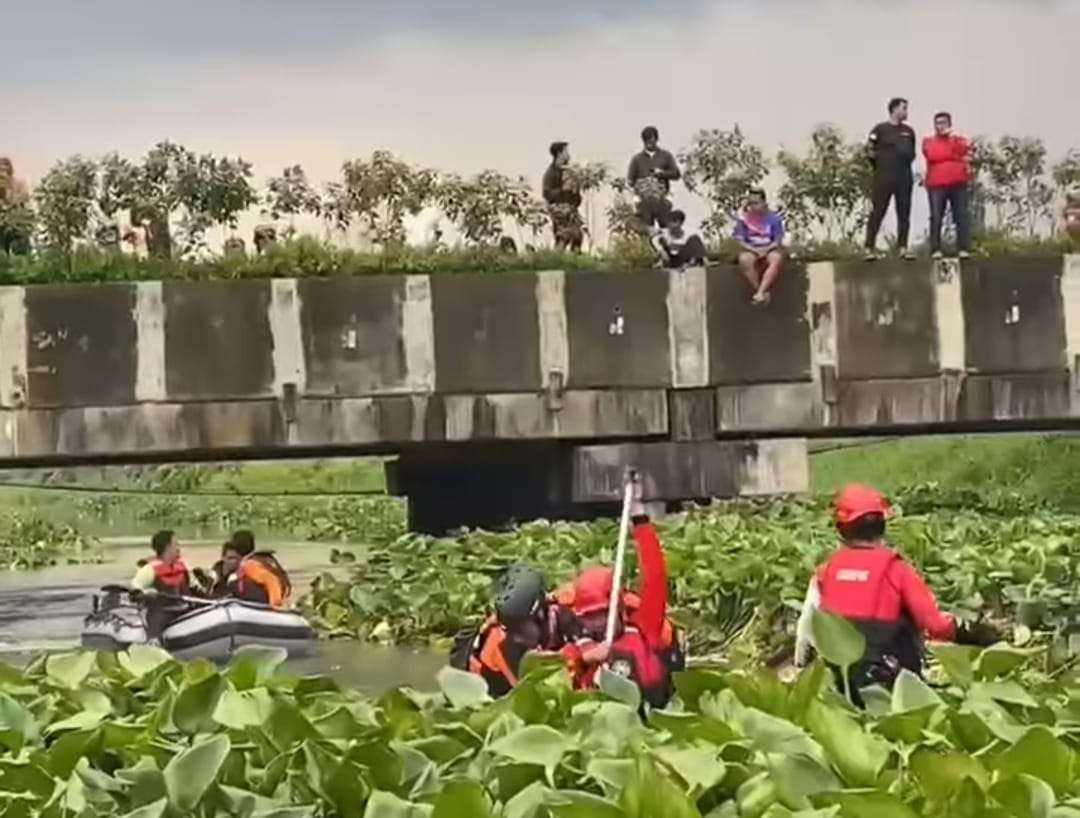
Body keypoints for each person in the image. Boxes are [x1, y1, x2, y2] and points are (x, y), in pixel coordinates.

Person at [794, 483, 999, 705]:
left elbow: (805, 633)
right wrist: (979, 636)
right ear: (882, 524)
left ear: (841, 528)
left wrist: (803, 672)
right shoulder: (896, 569)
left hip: (839, 685)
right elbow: (935, 625)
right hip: (889, 686)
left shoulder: (826, 571)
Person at [557, 475, 681, 708]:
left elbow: (655, 577)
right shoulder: (578, 651)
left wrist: (640, 519)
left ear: (618, 607)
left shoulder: (644, 629)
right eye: (589, 618)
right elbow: (551, 674)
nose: (597, 625)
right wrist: (583, 659)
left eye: (601, 615)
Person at [452, 565, 578, 696]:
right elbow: (526, 693)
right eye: (513, 632)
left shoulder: (560, 603)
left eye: (521, 630)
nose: (517, 638)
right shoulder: (499, 647)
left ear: (540, 612)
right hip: (495, 685)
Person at [865, 98, 917, 261]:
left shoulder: (909, 131)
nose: (906, 112)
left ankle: (902, 247)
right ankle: (869, 247)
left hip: (904, 177)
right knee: (878, 211)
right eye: (903, 108)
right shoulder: (880, 129)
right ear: (894, 110)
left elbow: (912, 154)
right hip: (883, 176)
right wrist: (880, 165)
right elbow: (869, 151)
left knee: (904, 213)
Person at [130, 530, 207, 640]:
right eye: (176, 544)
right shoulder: (150, 569)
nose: (178, 548)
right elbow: (136, 587)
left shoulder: (183, 566)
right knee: (156, 620)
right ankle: (154, 642)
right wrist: (145, 593)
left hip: (185, 608)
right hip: (163, 611)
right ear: (167, 547)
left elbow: (195, 586)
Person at [923, 112, 972, 260]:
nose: (940, 126)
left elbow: (968, 148)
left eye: (943, 123)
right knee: (936, 216)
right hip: (937, 184)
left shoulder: (958, 140)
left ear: (949, 124)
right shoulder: (928, 141)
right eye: (937, 123)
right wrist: (955, 155)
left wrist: (953, 148)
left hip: (958, 183)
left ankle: (963, 248)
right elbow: (933, 155)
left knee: (961, 216)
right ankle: (935, 249)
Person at [734, 189, 785, 305]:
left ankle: (760, 292)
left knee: (776, 259)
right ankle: (761, 292)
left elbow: (778, 239)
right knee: (744, 260)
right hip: (752, 249)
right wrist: (755, 250)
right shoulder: (744, 219)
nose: (752, 207)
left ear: (763, 203)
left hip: (770, 248)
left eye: (756, 203)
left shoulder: (774, 219)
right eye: (750, 203)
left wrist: (766, 250)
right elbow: (740, 240)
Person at [627, 126, 681, 232]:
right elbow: (630, 180)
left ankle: (668, 247)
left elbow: (676, 174)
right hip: (644, 200)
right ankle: (646, 248)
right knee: (646, 229)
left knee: (666, 228)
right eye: (646, 141)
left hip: (662, 198)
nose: (649, 144)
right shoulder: (637, 159)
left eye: (651, 140)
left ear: (656, 139)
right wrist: (643, 185)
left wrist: (662, 174)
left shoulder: (666, 156)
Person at [224, 530, 292, 609]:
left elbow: (271, 580)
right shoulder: (259, 560)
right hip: (265, 601)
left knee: (233, 581)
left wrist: (275, 606)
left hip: (266, 604)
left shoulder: (249, 565)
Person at [542, 141, 584, 252]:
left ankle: (576, 263)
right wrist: (562, 192)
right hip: (559, 210)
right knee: (563, 238)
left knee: (577, 236)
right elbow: (547, 193)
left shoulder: (568, 172)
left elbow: (575, 194)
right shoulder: (551, 173)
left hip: (571, 210)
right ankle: (556, 262)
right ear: (559, 153)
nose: (568, 154)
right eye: (566, 151)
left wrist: (575, 197)